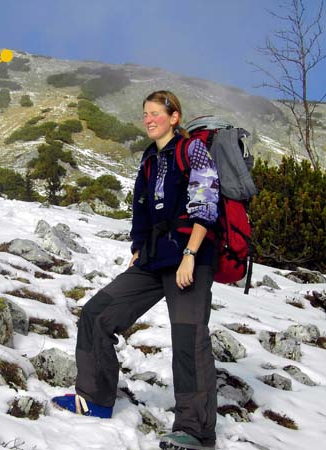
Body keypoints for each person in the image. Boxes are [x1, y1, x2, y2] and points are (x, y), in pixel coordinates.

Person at [52, 90, 218, 450]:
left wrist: (190, 252)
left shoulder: (192, 151)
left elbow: (206, 202)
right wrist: (138, 248)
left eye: (156, 113)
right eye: (145, 113)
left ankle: (196, 430)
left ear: (174, 117)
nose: (149, 119)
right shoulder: (149, 158)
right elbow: (142, 210)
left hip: (191, 256)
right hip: (153, 258)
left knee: (189, 338)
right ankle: (94, 398)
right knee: (97, 312)